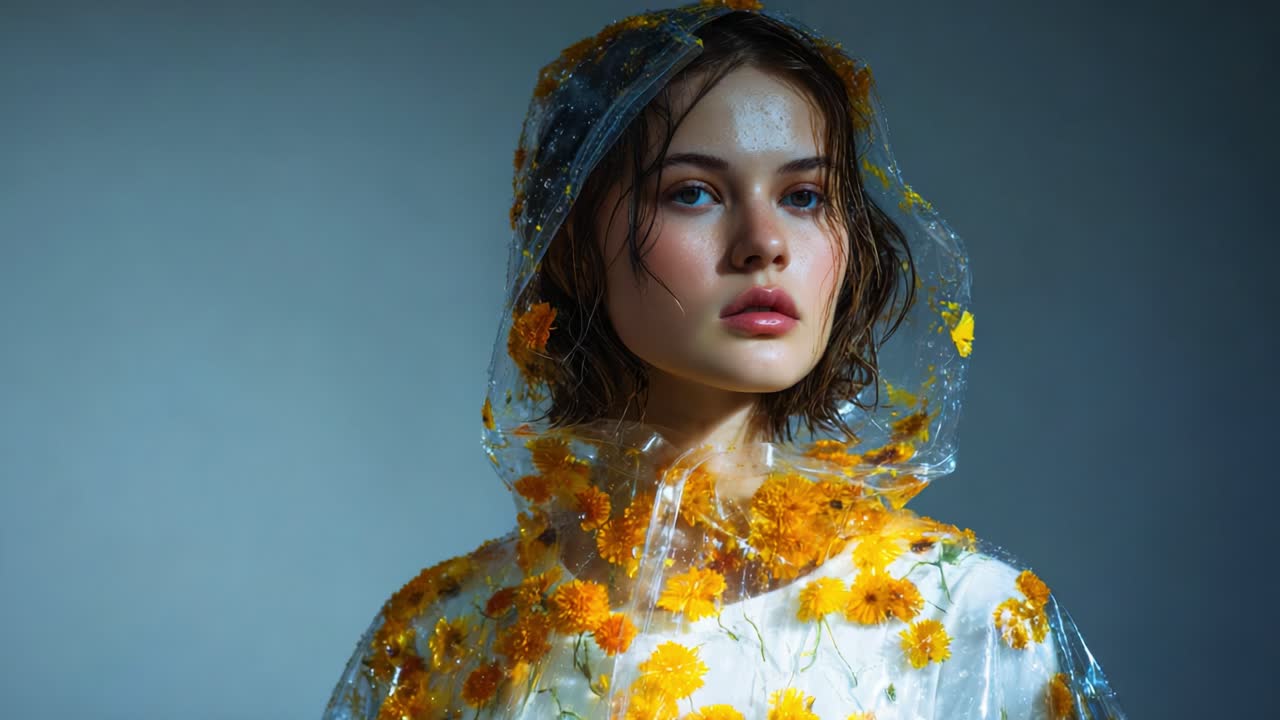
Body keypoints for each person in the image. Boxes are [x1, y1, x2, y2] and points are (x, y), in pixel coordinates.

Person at [322, 2, 1127, 718]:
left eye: (805, 197)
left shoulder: (966, 623)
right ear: (570, 245)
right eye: (693, 193)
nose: (765, 245)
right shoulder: (442, 639)